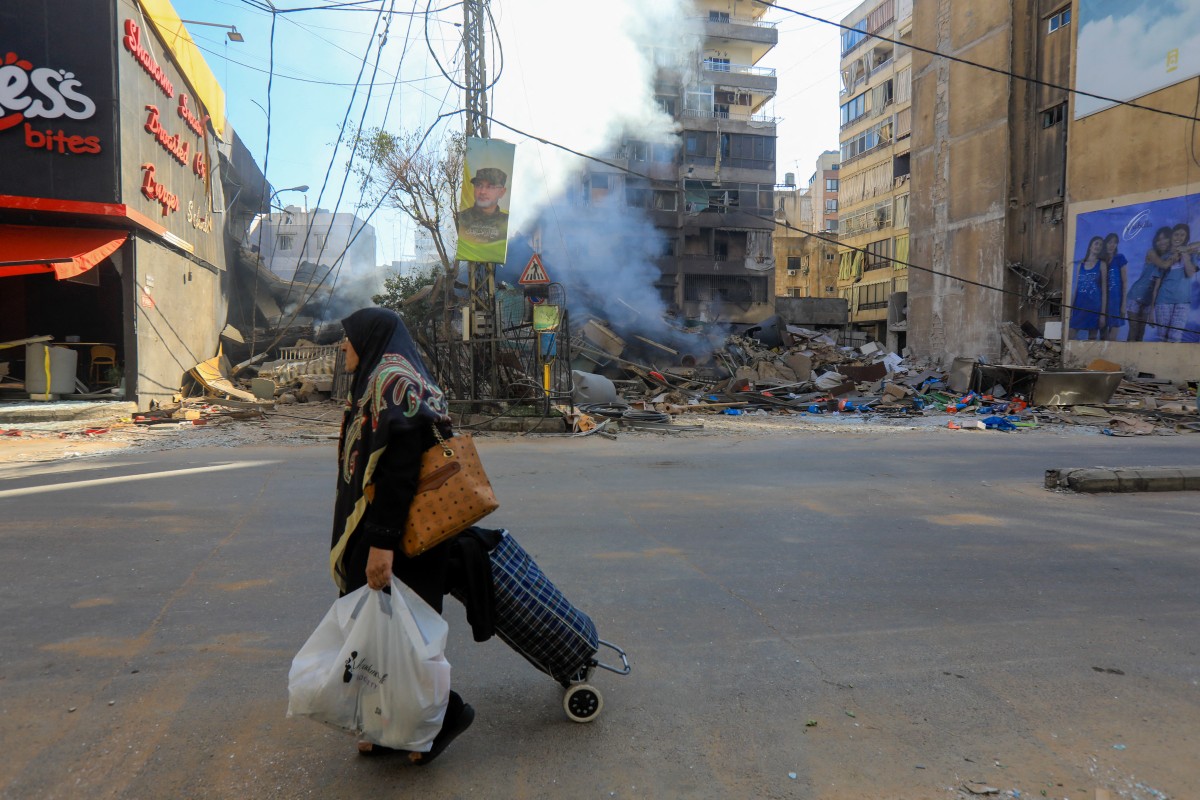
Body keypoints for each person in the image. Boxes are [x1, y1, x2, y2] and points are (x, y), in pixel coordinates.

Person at [331, 307, 475, 764]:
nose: (342, 346)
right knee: (377, 634)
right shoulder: (383, 377)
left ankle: (444, 716)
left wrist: (381, 544)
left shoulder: (394, 382)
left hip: (401, 535)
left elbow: (398, 471)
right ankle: (385, 726)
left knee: (406, 637)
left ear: (369, 338)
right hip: (385, 530)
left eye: (346, 338)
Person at [1145, 222, 1199, 342]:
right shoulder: (1164, 257)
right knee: (1163, 338)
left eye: (1182, 235)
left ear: (1186, 237)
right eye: (1176, 234)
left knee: (1175, 339)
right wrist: (1151, 311)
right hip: (1163, 301)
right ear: (1171, 236)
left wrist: (1184, 252)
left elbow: (1190, 273)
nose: (1179, 238)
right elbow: (1156, 286)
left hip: (1183, 302)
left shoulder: (1190, 256)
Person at [456, 167, 509, 263]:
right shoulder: (461, 218)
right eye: (478, 185)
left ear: (502, 192)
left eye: (490, 187)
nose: (482, 191)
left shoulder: (507, 224)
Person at [1070, 236, 1106, 341]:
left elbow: (1104, 291)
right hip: (1079, 306)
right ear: (1090, 246)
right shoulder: (1080, 265)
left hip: (1094, 307)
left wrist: (1102, 314)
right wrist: (1070, 309)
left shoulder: (1101, 264)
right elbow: (1076, 288)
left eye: (1100, 245)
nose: (1098, 246)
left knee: (1092, 339)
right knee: (1071, 335)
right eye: (1096, 243)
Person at [1101, 232, 1127, 341]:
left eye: (1115, 243)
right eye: (1109, 242)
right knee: (1103, 336)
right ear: (1105, 244)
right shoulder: (1101, 261)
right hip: (1102, 303)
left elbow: (1125, 283)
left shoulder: (1119, 258)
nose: (1112, 245)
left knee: (1112, 338)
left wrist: (1123, 304)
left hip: (1116, 303)